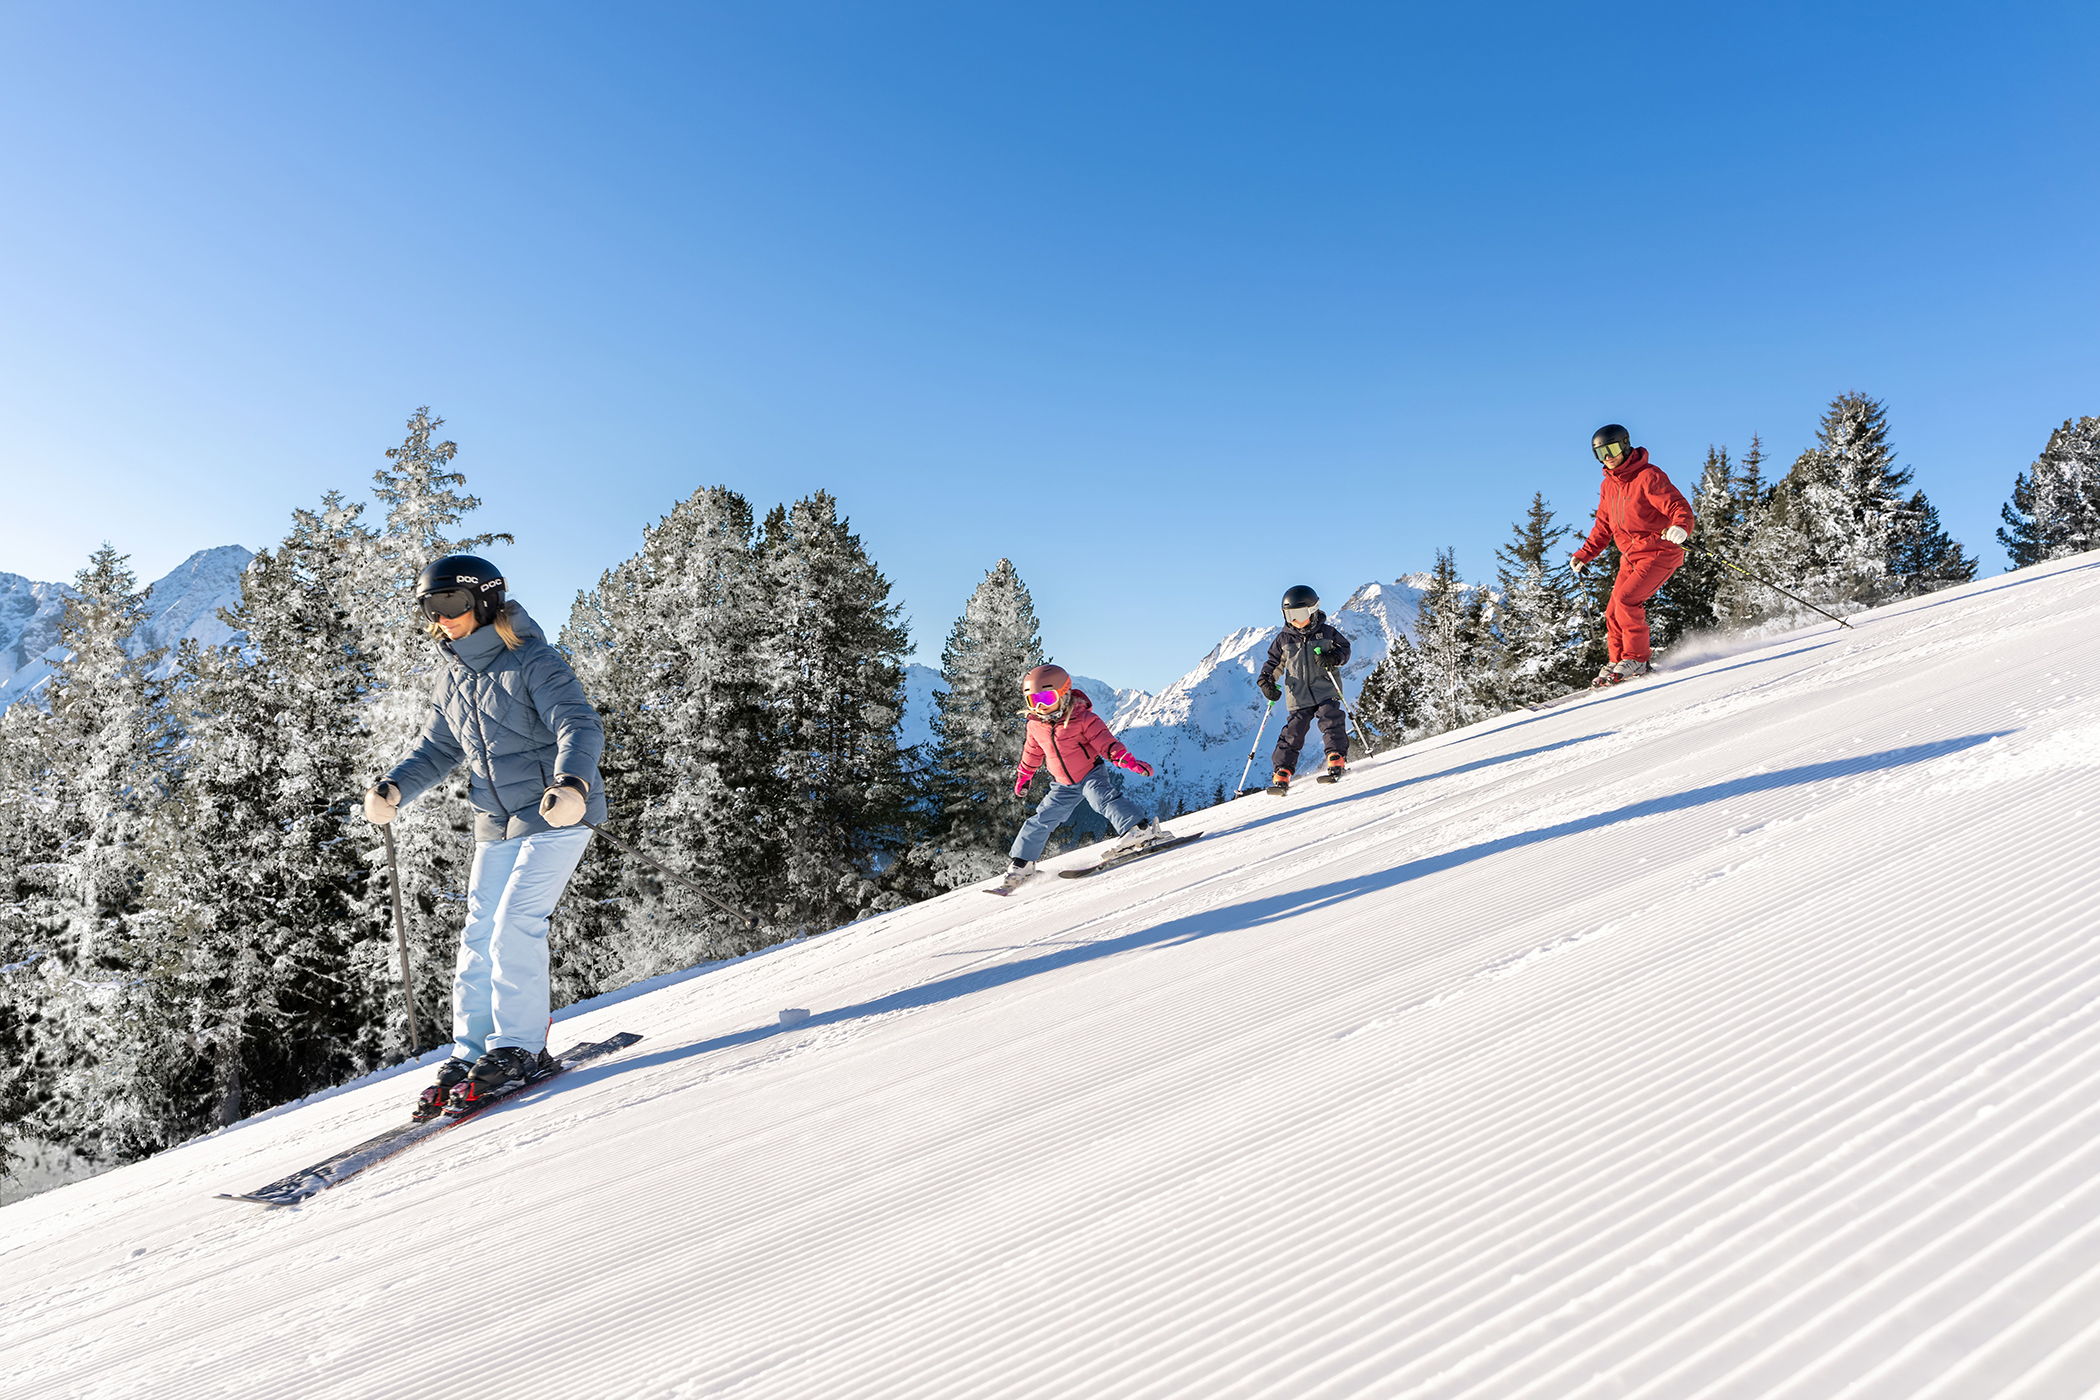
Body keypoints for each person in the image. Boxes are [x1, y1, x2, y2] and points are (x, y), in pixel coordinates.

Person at [362, 554, 608, 1120]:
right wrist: (394, 787)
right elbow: (438, 749)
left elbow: (578, 722)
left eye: (450, 602)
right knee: (478, 934)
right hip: (495, 820)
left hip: (556, 810)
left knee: (515, 921)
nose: (441, 617)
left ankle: (519, 1047)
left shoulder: (532, 659)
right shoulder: (453, 674)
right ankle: (472, 1052)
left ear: (485, 600)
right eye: (430, 607)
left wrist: (572, 783)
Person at [997, 663, 1169, 892]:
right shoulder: (1035, 726)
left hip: (1090, 773)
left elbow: (1106, 744)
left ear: (1064, 694)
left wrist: (1127, 761)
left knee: (1102, 799)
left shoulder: (1084, 719)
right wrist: (1024, 775)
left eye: (1046, 698)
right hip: (1062, 784)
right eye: (1033, 701)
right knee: (1042, 818)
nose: (1040, 707)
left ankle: (1139, 829)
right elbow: (1032, 753)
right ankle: (1022, 864)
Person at [1570, 425, 1695, 687]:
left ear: (1626, 446)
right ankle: (1617, 661)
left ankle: (1637, 660)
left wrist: (1680, 527)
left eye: (1612, 449)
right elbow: (1603, 527)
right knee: (1612, 611)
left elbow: (1677, 505)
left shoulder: (1648, 476)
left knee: (1627, 600)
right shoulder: (1608, 485)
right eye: (1600, 453)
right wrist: (1584, 554)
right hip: (1631, 556)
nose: (1607, 457)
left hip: (1660, 552)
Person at [1256, 585, 1352, 793]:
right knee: (1293, 731)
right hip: (1298, 695)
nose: (1295, 621)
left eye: (1300, 615)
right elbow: (1273, 663)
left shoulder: (1327, 633)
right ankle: (1282, 770)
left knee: (1331, 719)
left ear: (1313, 611)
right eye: (1289, 615)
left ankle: (1336, 756)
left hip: (1326, 689)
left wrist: (1332, 658)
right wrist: (1266, 681)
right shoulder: (1283, 640)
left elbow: (1344, 649)